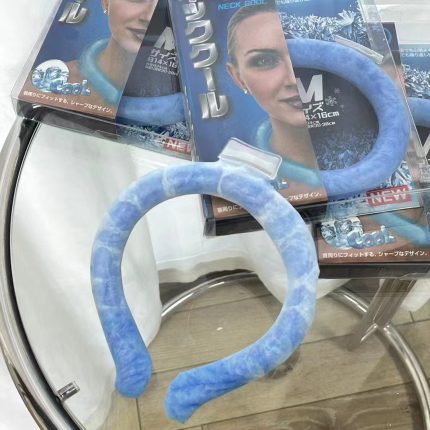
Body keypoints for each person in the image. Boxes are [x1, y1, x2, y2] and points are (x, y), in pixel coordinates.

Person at [226, 4, 325, 198]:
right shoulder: (233, 180)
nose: (293, 79)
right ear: (239, 78)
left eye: (306, 52)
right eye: (264, 61)